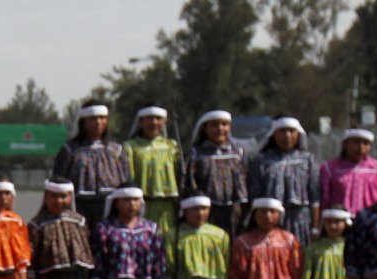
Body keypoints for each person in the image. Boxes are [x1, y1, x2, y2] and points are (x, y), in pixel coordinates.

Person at [52, 100, 130, 227]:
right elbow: (59, 181)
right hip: (79, 206)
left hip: (110, 207)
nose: (98, 122)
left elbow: (126, 181)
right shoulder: (70, 150)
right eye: (93, 119)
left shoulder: (117, 150)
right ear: (83, 122)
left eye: (102, 118)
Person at [247, 115, 320, 249]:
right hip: (270, 219)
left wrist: (315, 226)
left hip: (300, 219)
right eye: (282, 131)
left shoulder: (308, 160)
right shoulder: (261, 160)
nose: (287, 135)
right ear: (273, 134)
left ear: (298, 134)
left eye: (291, 131)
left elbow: (314, 195)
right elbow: (254, 194)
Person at [122, 104, 180, 264]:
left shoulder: (172, 146)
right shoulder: (130, 147)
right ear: (141, 121)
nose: (154, 123)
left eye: (158, 119)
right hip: (143, 206)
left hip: (168, 208)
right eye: (149, 119)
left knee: (168, 248)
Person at [181, 109, 248, 239]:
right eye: (214, 125)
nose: (220, 128)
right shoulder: (195, 154)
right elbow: (187, 185)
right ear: (205, 128)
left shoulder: (238, 153)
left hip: (234, 213)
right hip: (206, 213)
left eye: (224, 124)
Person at [319, 128, 377, 216]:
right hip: (340, 220)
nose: (361, 147)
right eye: (356, 142)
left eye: (365, 143)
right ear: (345, 144)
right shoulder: (329, 168)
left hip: (370, 219)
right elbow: (324, 198)